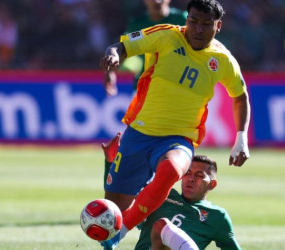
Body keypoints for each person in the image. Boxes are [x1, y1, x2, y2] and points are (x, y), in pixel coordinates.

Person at [99, 0, 250, 248]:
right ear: (187, 19)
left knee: (171, 171)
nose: (198, 29)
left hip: (179, 138)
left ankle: (123, 230)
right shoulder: (166, 35)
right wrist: (113, 54)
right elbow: (121, 46)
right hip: (139, 133)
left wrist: (241, 138)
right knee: (112, 211)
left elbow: (240, 96)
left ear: (218, 26)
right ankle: (114, 234)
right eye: (193, 22)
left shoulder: (223, 59)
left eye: (206, 24)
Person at [101, 133, 241, 250]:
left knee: (162, 225)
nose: (191, 179)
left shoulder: (217, 216)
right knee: (161, 225)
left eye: (199, 176)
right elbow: (119, 201)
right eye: (188, 173)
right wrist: (110, 162)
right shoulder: (158, 197)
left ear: (212, 184)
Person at [104, 0, 187, 96]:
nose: (157, 1)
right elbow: (124, 48)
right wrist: (110, 72)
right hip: (144, 89)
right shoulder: (136, 25)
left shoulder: (184, 20)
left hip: (178, 88)